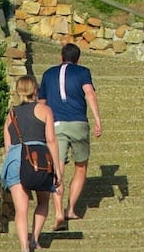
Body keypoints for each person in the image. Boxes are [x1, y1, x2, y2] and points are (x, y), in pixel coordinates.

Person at [38, 44, 102, 231]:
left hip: (56, 124)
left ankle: (58, 212)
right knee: (80, 167)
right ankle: (71, 209)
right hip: (78, 123)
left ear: (61, 57)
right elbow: (89, 93)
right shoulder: (83, 72)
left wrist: (41, 126)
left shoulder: (48, 74)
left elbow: (41, 102)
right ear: (78, 58)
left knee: (57, 169)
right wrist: (97, 120)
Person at [0, 76, 58, 252]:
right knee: (43, 201)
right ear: (36, 89)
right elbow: (51, 140)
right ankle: (34, 239)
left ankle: (24, 247)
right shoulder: (44, 110)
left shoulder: (11, 115)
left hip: (15, 159)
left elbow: (7, 146)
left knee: (21, 209)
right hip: (39, 159)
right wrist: (57, 169)